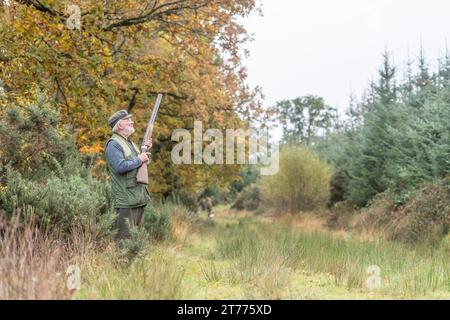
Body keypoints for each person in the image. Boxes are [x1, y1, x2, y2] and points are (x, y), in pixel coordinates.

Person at [104, 109, 152, 240]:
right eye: (127, 120)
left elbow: (138, 165)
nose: (132, 121)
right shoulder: (113, 144)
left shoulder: (130, 143)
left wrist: (145, 152)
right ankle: (119, 262)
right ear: (119, 125)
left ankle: (134, 261)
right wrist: (139, 159)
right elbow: (120, 166)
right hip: (125, 200)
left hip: (138, 198)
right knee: (124, 241)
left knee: (136, 240)